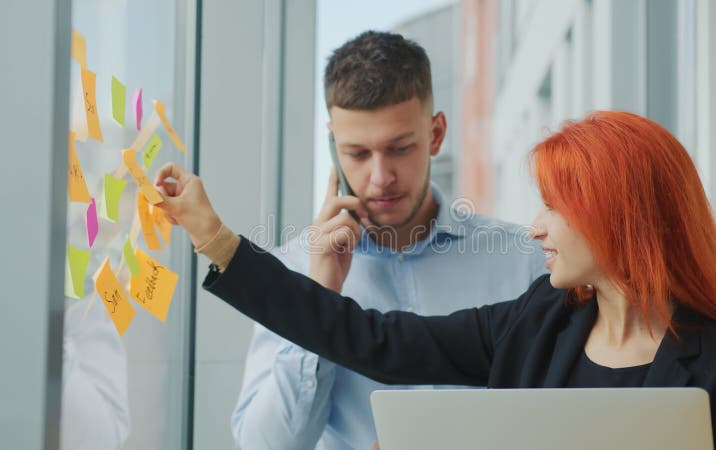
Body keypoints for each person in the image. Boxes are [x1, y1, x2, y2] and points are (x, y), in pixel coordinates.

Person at [155, 110, 716, 450]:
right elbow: (371, 339)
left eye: (555, 208)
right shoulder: (540, 318)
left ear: (617, 219)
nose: (536, 228)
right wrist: (219, 241)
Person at [219, 30, 545, 449]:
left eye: (400, 148)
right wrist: (318, 298)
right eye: (357, 154)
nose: (380, 177)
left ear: (436, 134)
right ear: (334, 143)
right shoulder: (293, 271)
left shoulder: (525, 263)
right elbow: (266, 446)